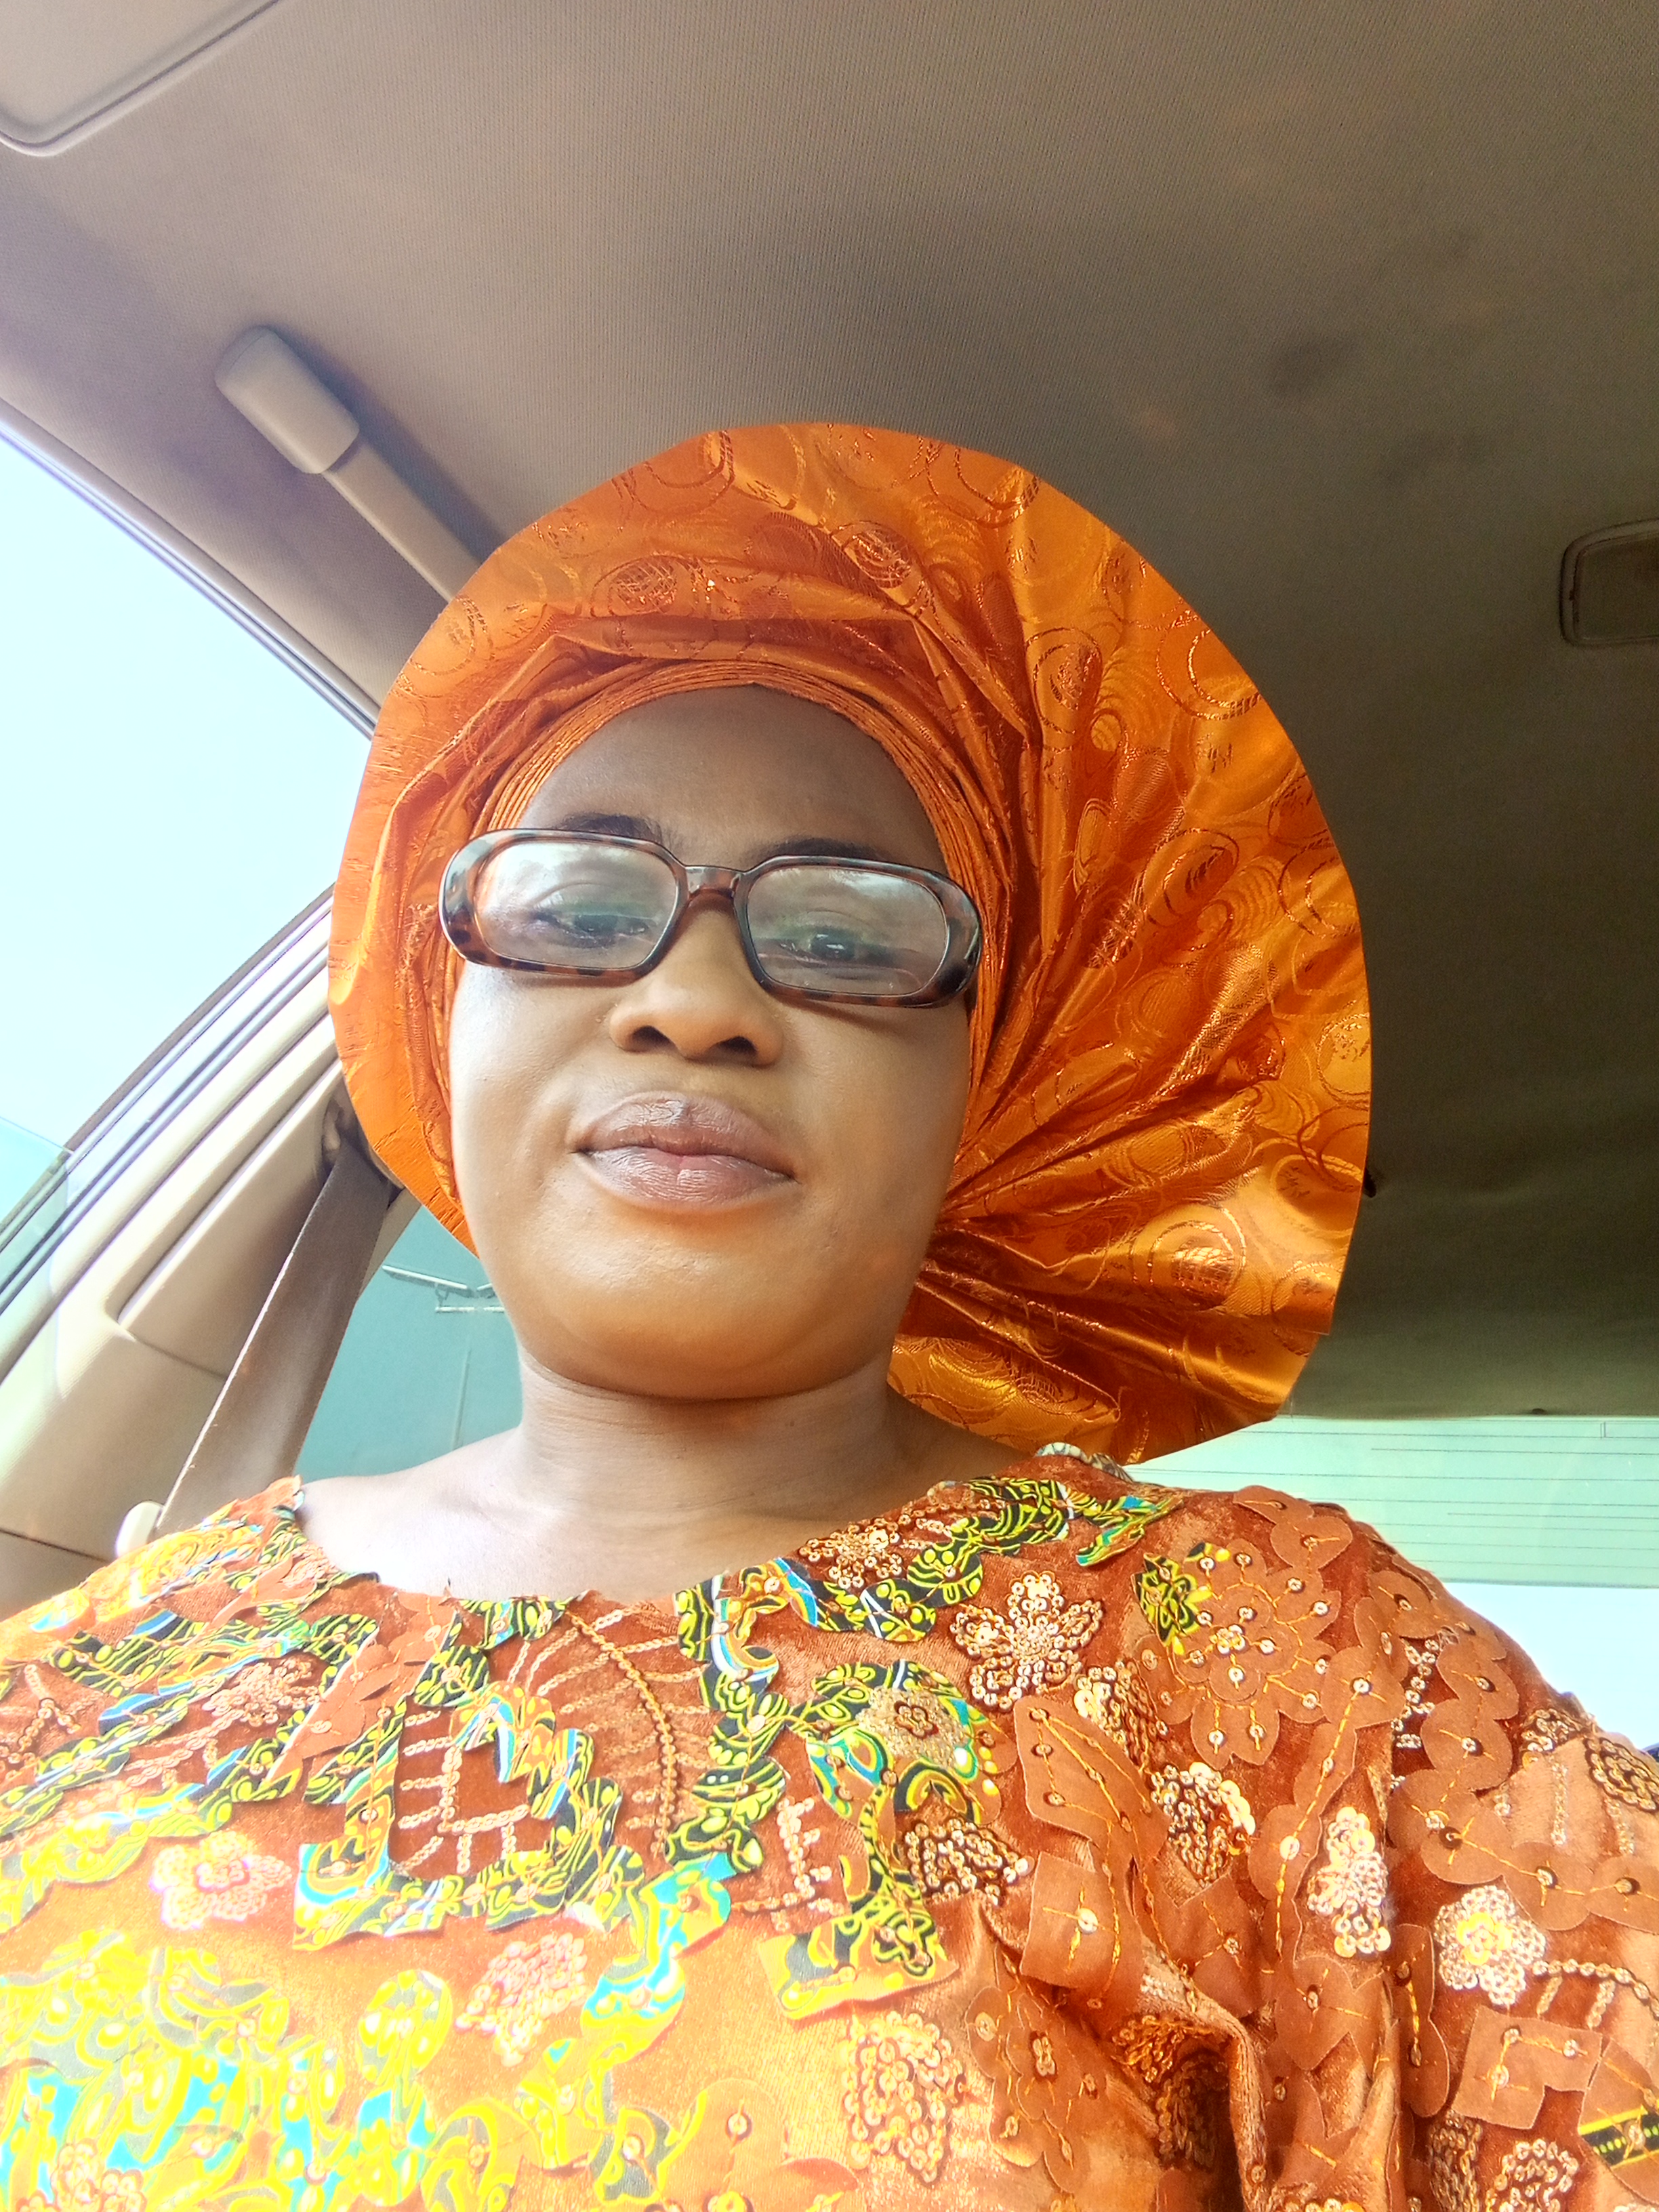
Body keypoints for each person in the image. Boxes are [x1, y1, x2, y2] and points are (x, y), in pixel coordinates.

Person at [0, 426, 1652, 2212]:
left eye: (853, 937)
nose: (695, 998)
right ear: (442, 1008)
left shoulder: (1294, 1676)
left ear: (982, 1078)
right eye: (578, 906)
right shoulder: (89, 1673)